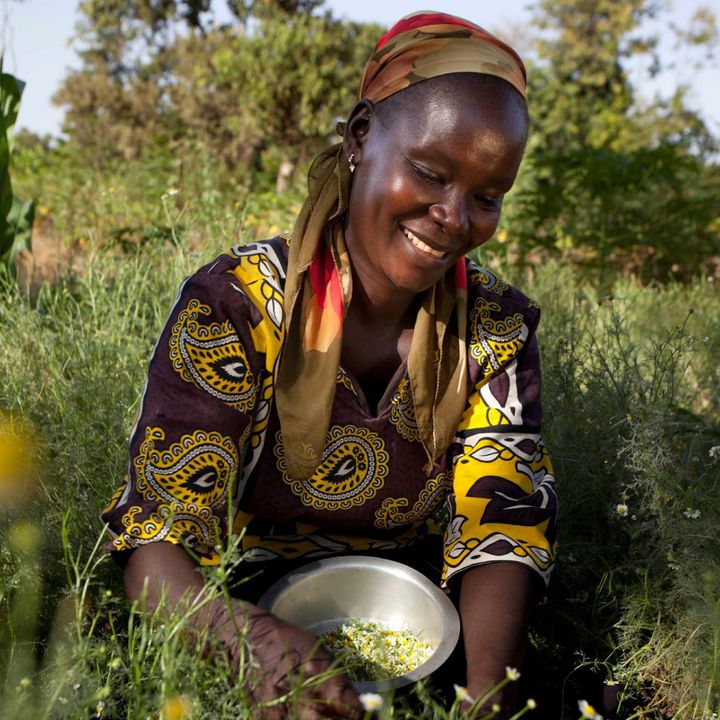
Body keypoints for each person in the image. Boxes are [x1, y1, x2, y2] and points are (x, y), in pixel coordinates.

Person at [101, 11, 557, 719]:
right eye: (431, 173)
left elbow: (501, 529)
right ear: (359, 137)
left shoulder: (493, 330)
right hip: (235, 609)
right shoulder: (237, 308)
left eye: (488, 197)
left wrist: (484, 697)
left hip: (415, 617)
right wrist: (247, 641)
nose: (453, 217)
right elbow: (155, 539)